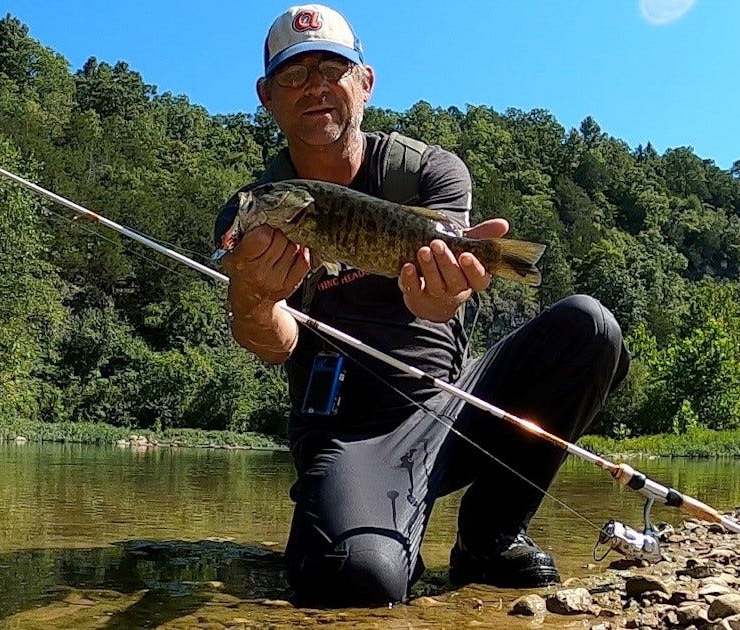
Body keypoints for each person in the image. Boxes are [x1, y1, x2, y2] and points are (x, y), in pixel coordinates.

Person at [214, 4, 629, 608]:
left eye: (333, 68)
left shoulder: (430, 170)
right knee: (357, 583)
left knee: (589, 327)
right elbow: (273, 343)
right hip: (351, 434)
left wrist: (439, 297)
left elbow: (444, 300)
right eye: (294, 75)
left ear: (365, 81)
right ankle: (369, 527)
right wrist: (254, 299)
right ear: (267, 96)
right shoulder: (252, 210)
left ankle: (489, 536)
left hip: (457, 405)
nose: (316, 88)